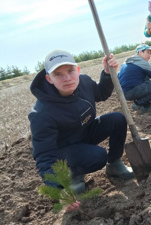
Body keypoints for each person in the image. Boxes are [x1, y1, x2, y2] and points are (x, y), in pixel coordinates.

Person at [28, 49, 134, 196]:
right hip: (65, 148)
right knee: (98, 156)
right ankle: (73, 172)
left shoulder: (84, 82)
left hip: (85, 131)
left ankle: (114, 164)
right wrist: (59, 190)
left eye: (70, 71)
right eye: (58, 74)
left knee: (117, 119)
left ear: (77, 70)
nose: (67, 78)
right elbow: (44, 156)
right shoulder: (41, 114)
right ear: (49, 79)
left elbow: (101, 93)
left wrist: (107, 73)